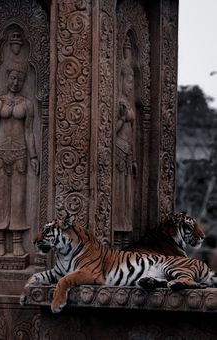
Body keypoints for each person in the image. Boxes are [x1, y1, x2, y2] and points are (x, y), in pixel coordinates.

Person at [0, 62, 39, 256]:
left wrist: (33, 155)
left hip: (20, 153)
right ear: (7, 78)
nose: (16, 82)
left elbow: (29, 132)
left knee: (18, 199)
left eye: (20, 79)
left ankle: (17, 242)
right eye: (13, 78)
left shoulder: (27, 104)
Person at [114, 35, 138, 243]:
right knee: (117, 197)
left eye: (132, 81)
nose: (131, 86)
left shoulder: (129, 104)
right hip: (117, 153)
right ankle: (114, 241)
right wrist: (121, 119)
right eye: (128, 81)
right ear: (120, 80)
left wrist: (136, 159)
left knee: (126, 200)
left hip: (128, 154)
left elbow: (135, 131)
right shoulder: (118, 103)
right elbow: (111, 130)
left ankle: (124, 242)